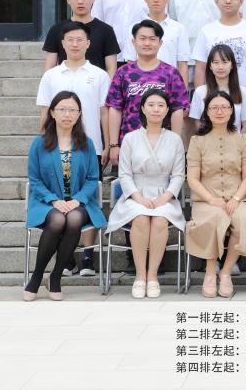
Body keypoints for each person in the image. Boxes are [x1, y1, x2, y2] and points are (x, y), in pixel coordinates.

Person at [36, 21, 110, 277]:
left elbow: (104, 112)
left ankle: (88, 256)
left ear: (88, 43)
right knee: (61, 200)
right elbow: (45, 112)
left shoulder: (99, 75)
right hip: (56, 147)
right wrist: (44, 144)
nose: (75, 44)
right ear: (62, 43)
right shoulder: (51, 75)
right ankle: (66, 259)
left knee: (87, 199)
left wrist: (108, 144)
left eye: (80, 39)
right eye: (70, 39)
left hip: (90, 148)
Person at [23, 91, 106, 301]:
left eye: (72, 110)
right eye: (62, 109)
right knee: (58, 219)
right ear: (52, 113)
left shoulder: (86, 144)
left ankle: (56, 276)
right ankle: (37, 276)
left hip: (80, 203)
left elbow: (92, 179)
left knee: (74, 218)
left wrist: (77, 200)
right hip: (46, 203)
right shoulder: (40, 143)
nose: (67, 114)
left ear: (78, 114)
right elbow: (34, 179)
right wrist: (53, 200)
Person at [106, 89, 186, 299]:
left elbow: (178, 175)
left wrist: (164, 198)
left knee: (160, 220)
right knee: (140, 219)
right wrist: (138, 197)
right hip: (135, 194)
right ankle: (140, 276)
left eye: (161, 105)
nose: (156, 109)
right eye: (151, 105)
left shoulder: (175, 140)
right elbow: (124, 174)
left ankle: (153, 277)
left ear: (167, 110)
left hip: (164, 194)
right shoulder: (130, 138)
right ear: (142, 108)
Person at [186, 91, 246, 298]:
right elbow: (192, 179)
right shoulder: (197, 141)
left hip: (238, 199)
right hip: (206, 201)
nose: (219, 111)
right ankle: (210, 272)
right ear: (207, 112)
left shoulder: (243, 140)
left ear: (231, 111)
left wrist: (236, 199)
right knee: (214, 218)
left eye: (224, 107)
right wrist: (211, 199)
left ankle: (226, 272)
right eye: (214, 108)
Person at [105, 20, 190, 171]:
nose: (147, 43)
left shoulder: (171, 73)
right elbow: (115, 108)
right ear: (134, 42)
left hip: (163, 145)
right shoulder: (123, 72)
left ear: (160, 43)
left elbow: (177, 110)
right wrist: (114, 144)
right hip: (129, 144)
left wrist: (175, 144)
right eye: (142, 38)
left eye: (152, 39)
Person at [42, 0, 120, 75]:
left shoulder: (106, 30)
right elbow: (49, 67)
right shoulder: (56, 30)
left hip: (96, 83)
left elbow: (111, 68)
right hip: (65, 83)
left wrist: (106, 84)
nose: (80, 1)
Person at [121, 0, 189, 81]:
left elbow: (182, 64)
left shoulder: (178, 29)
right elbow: (130, 63)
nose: (156, 0)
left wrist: (182, 89)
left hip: (170, 84)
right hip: (141, 84)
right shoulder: (134, 28)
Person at [188, 44, 246, 134]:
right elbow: (196, 123)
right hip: (207, 141)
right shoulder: (199, 92)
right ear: (210, 66)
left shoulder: (243, 92)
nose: (220, 67)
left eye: (225, 62)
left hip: (234, 141)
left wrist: (238, 141)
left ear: (232, 65)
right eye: (216, 62)